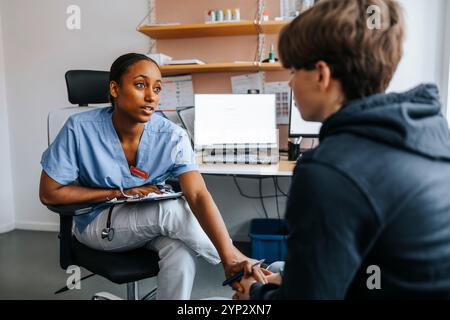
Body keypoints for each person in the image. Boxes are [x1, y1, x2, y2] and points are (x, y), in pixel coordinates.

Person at [234, 0, 450, 299]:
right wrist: (286, 280)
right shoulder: (430, 131)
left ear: (321, 75)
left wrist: (254, 294)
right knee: (281, 267)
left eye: (294, 70)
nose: (290, 81)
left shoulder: (328, 170)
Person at [39, 53, 266, 300]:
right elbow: (49, 193)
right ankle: (239, 264)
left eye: (157, 88)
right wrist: (119, 193)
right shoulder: (80, 128)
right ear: (114, 89)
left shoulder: (172, 135)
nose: (151, 96)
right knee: (173, 210)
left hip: (148, 223)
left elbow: (198, 194)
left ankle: (243, 267)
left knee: (180, 251)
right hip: (95, 221)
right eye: (140, 85)